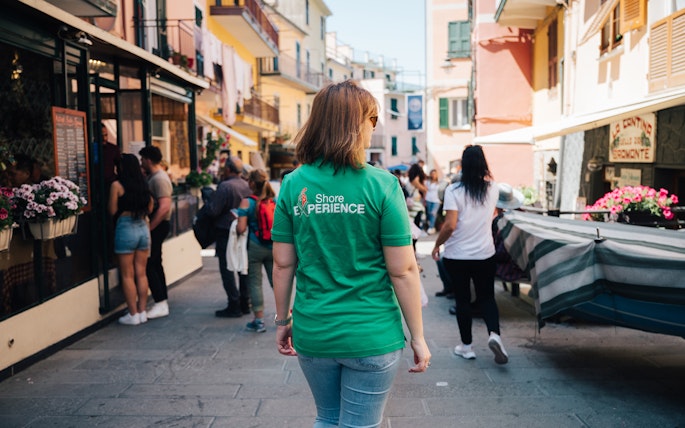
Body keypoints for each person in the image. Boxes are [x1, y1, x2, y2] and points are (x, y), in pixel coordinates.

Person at [272, 80, 431, 428]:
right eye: (371, 120)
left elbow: (283, 263)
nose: (373, 128)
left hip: (315, 332)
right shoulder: (382, 185)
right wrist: (417, 337)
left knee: (328, 419)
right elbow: (402, 270)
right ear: (357, 124)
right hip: (372, 334)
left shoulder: (293, 184)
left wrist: (283, 321)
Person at [431, 144, 508, 365]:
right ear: (483, 163)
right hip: (485, 254)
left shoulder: (453, 191)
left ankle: (466, 347)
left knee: (463, 300)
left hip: (458, 256)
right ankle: (494, 335)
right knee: (487, 297)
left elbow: (449, 226)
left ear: (463, 165)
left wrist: (437, 245)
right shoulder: (493, 188)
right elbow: (495, 213)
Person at [109, 154, 154, 325]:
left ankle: (133, 314)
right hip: (143, 227)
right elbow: (150, 206)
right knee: (141, 273)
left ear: (122, 168)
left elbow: (112, 210)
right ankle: (142, 311)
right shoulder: (143, 184)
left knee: (127, 275)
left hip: (125, 227)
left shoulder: (117, 185)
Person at [206, 156, 252, 317]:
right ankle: (245, 301)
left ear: (228, 169)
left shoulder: (225, 186)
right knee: (242, 266)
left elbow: (213, 210)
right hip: (244, 230)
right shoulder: (247, 185)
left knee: (227, 267)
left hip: (226, 231)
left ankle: (234, 303)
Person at [235, 168, 276, 333]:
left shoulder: (246, 202)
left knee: (255, 283)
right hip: (274, 246)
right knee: (278, 283)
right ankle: (287, 318)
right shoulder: (274, 200)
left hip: (255, 246)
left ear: (251, 183)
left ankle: (259, 321)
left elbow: (241, 228)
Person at [139, 146, 173, 319]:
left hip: (158, 225)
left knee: (151, 263)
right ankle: (161, 301)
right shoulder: (155, 177)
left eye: (142, 159)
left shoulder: (159, 179)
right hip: (158, 225)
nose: (141, 162)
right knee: (155, 262)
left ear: (148, 160)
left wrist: (150, 228)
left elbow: (165, 206)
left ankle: (160, 302)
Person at [405, 162, 427, 229]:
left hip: (410, 202)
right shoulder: (415, 180)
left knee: (411, 221)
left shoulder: (409, 180)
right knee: (415, 222)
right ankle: (415, 236)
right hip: (415, 203)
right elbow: (425, 189)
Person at [424, 169, 441, 234]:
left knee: (433, 213)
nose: (433, 175)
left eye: (434, 174)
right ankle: (431, 227)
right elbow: (425, 191)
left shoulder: (439, 182)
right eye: (432, 174)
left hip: (436, 200)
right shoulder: (427, 182)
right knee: (429, 213)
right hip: (428, 199)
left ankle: (431, 227)